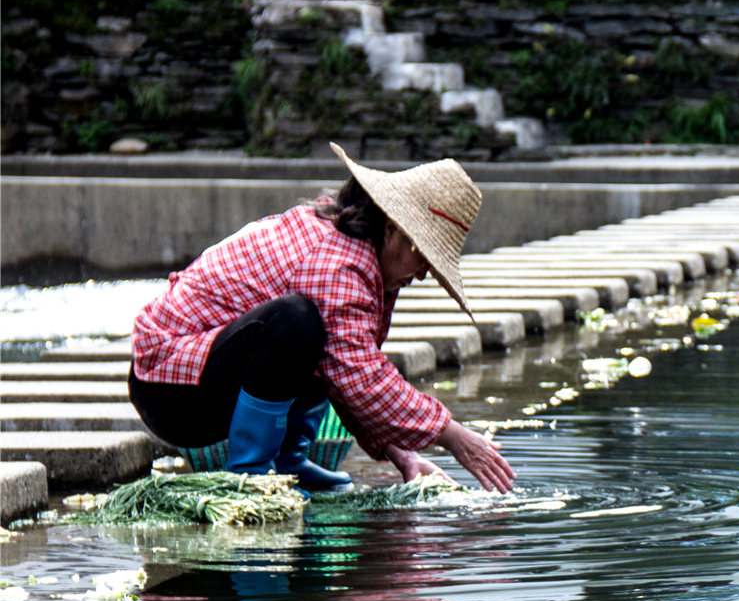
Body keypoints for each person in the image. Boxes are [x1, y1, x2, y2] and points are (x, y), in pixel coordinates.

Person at [128, 144, 516, 493]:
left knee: (324, 340)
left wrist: (404, 456)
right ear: (394, 227)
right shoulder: (338, 263)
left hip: (205, 380)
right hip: (171, 387)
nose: (421, 275)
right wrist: (453, 436)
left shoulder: (368, 264)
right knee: (297, 322)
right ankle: (249, 473)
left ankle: (287, 460)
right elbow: (364, 379)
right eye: (423, 257)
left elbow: (349, 373)